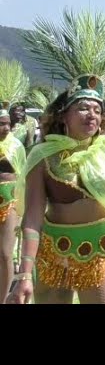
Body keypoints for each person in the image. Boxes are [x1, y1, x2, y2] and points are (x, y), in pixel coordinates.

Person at [8, 74, 105, 304]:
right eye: (83, 108)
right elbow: (33, 217)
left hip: (100, 253)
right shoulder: (44, 155)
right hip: (54, 256)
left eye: (97, 110)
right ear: (64, 115)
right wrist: (25, 273)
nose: (92, 115)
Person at [0, 59, 28, 302]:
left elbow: (22, 176)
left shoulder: (16, 145)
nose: (5, 128)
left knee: (5, 252)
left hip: (8, 202)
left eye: (8, 123)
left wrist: (21, 208)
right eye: (1, 124)